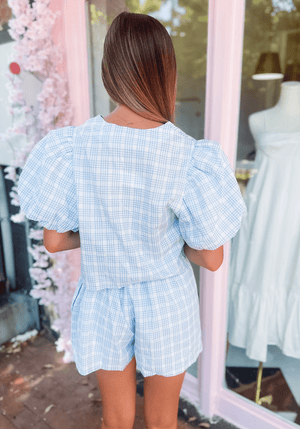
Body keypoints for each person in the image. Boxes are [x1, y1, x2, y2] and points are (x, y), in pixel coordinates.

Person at [18, 11, 247, 429]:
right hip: (166, 300)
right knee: (163, 422)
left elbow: (53, 242)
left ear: (109, 72)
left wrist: (108, 231)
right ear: (167, 73)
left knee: (116, 420)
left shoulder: (74, 145)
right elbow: (212, 258)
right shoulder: (187, 154)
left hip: (104, 297)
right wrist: (168, 235)